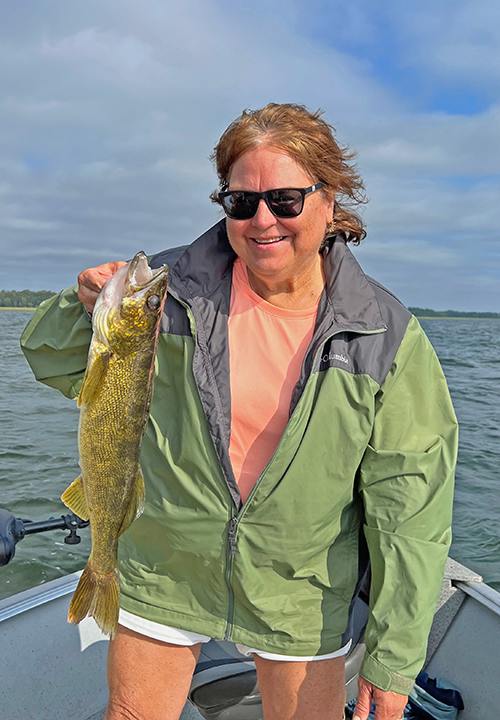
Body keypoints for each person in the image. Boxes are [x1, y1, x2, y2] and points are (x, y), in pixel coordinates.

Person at [21, 103, 458, 720]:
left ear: (329, 201)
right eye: (240, 202)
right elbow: (55, 361)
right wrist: (81, 305)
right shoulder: (166, 294)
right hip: (167, 564)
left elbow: (410, 511)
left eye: (284, 200)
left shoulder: (382, 335)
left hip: (301, 588)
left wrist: (394, 662)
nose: (262, 220)